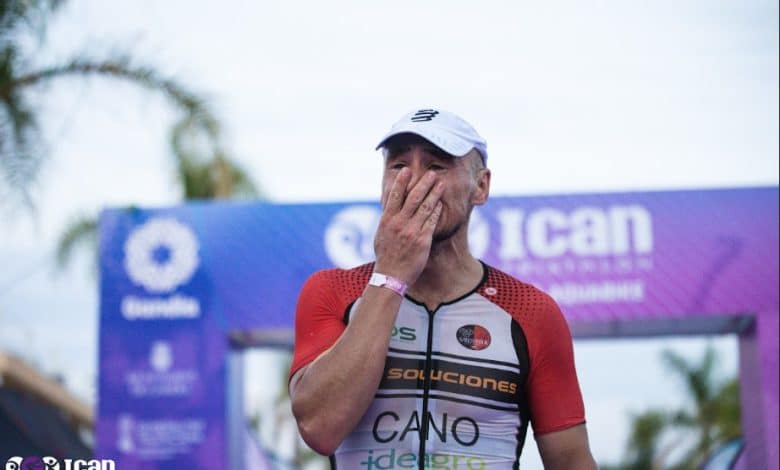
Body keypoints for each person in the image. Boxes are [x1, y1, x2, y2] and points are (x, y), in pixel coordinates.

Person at [289, 108, 597, 469]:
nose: (415, 181)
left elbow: (572, 461)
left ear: (480, 186)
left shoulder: (531, 311)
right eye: (398, 165)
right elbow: (318, 428)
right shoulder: (334, 290)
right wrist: (390, 275)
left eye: (436, 166)